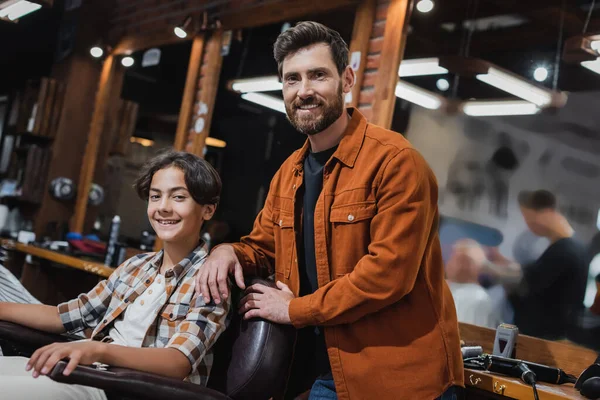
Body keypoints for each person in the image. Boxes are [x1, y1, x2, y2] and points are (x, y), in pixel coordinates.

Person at [196, 21, 463, 400]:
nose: (304, 91)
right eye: (292, 79)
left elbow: (387, 275)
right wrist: (228, 250)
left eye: (318, 75)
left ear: (347, 79)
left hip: (393, 379)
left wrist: (294, 310)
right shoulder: (287, 174)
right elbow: (264, 247)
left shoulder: (396, 162)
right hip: (314, 372)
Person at [0, 150, 230, 400]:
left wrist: (98, 351)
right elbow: (67, 315)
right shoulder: (136, 266)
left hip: (126, 390)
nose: (163, 207)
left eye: (178, 197)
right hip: (89, 373)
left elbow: (177, 362)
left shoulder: (210, 278)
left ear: (208, 210)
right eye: (155, 196)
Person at [484, 190, 588, 340]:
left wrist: (483, 264)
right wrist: (504, 262)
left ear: (546, 213)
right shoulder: (566, 249)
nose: (529, 226)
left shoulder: (565, 251)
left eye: (530, 220)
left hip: (546, 341)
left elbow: (527, 280)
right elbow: (535, 272)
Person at [446, 239, 501, 329]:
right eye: (453, 257)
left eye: (463, 260)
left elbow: (470, 338)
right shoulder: (440, 289)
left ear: (477, 267)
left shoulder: (477, 297)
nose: (455, 263)